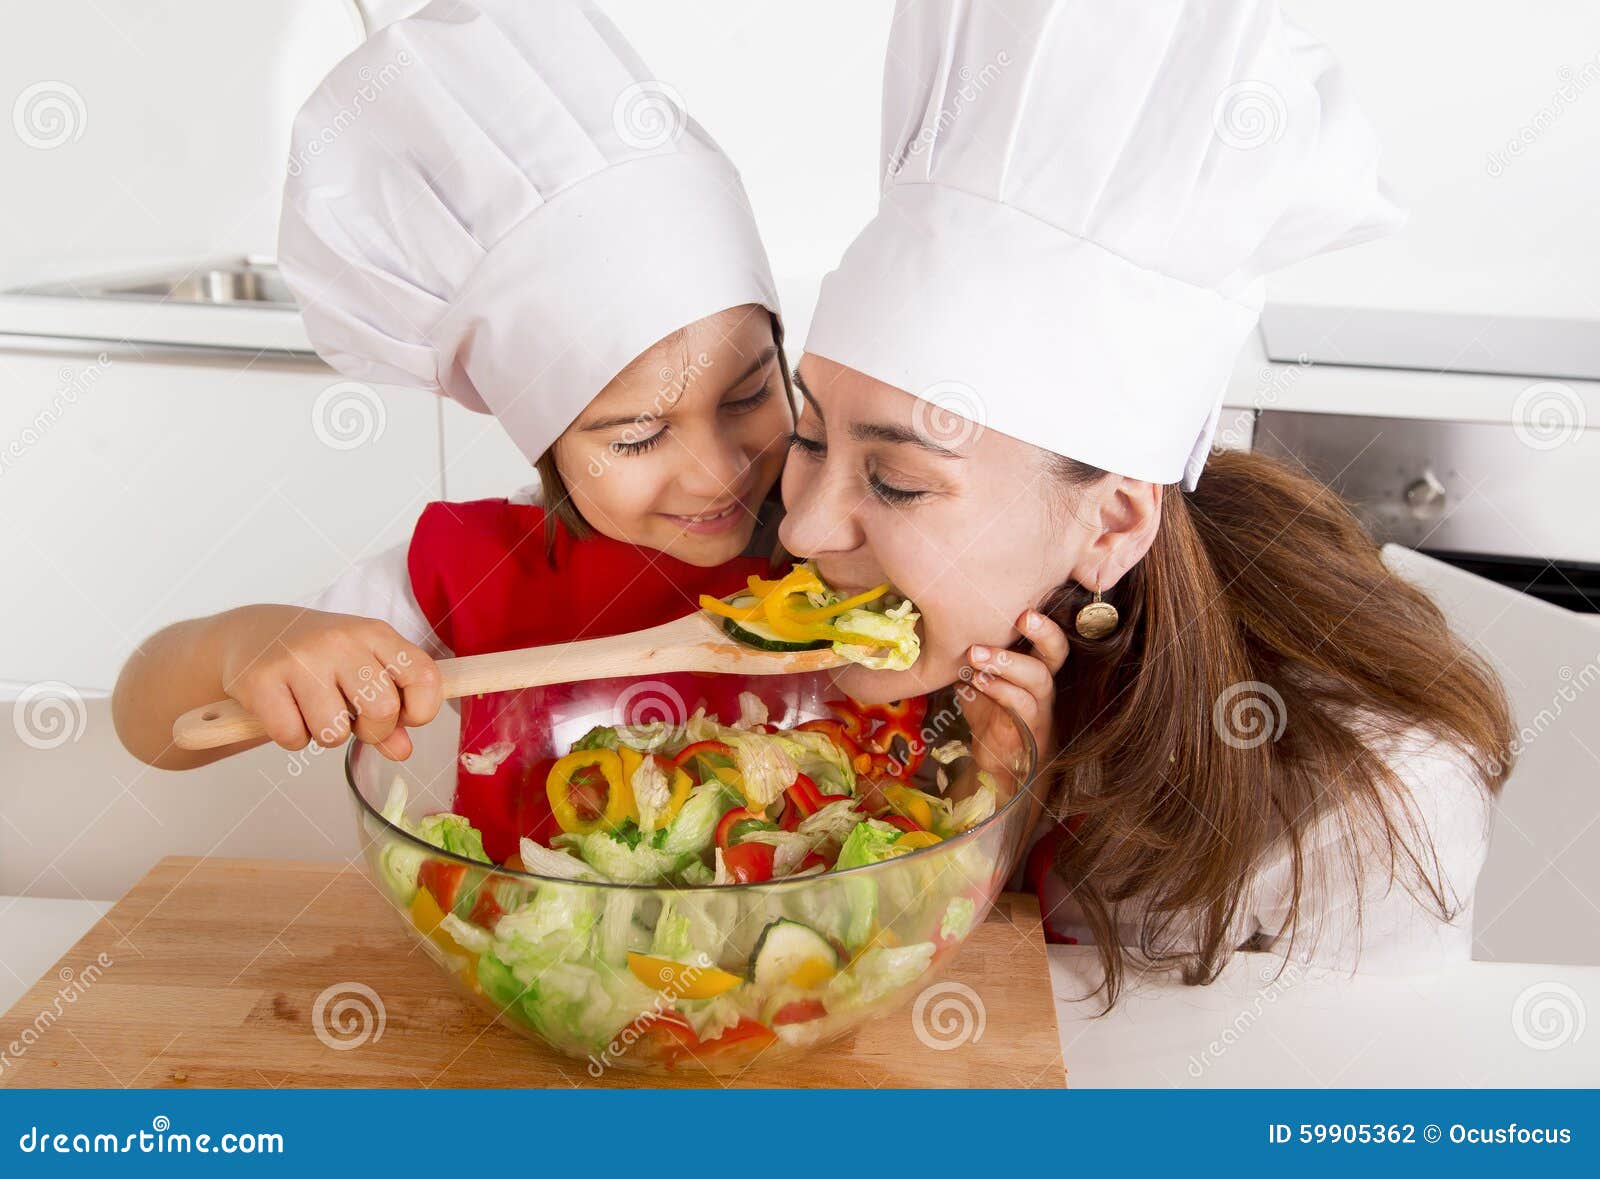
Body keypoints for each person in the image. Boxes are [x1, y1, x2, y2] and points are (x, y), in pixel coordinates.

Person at [779, 0, 1513, 996]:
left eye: (899, 482)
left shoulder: (1358, 800)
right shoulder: (857, 644)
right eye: (808, 434)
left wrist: (1012, 815)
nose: (802, 526)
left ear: (1113, 521)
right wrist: (972, 809)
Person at [112, 0, 794, 858]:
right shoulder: (475, 570)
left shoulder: (858, 544)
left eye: (748, 395)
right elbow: (153, 726)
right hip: (536, 987)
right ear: (544, 438)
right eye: (636, 437)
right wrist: (248, 644)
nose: (715, 471)